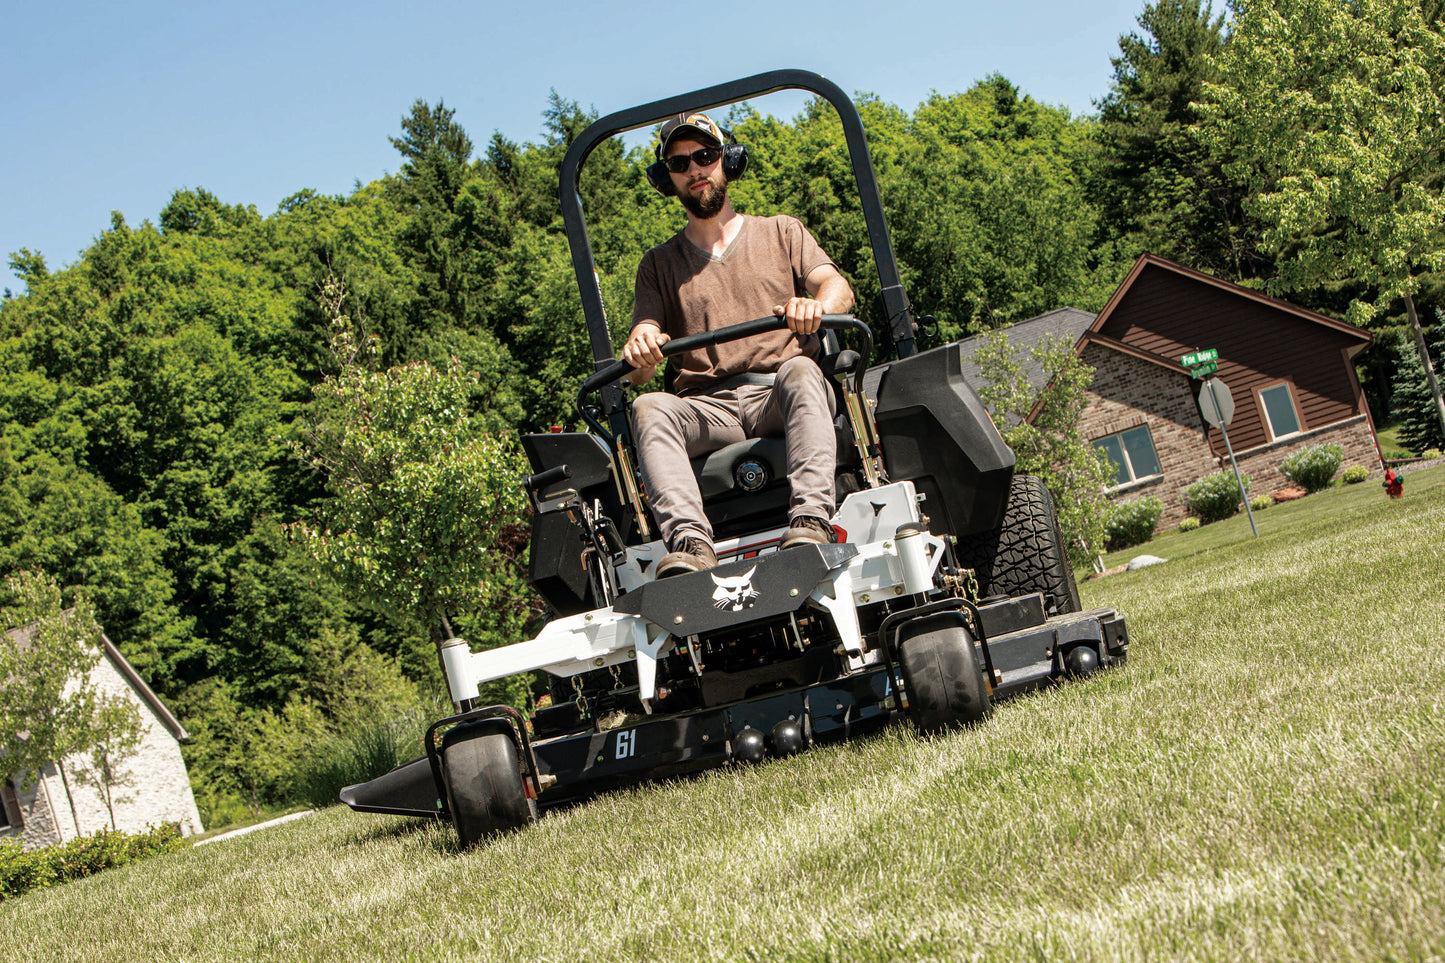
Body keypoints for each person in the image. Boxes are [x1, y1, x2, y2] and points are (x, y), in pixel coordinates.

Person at [622, 112, 856, 578]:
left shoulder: (781, 232)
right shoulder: (657, 266)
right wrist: (642, 347)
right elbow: (641, 357)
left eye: (705, 157)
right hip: (709, 410)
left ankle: (811, 519)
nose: (695, 169)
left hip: (778, 392)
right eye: (680, 163)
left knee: (804, 371)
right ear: (667, 178)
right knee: (648, 406)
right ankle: (691, 545)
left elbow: (836, 288)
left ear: (726, 161)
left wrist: (817, 306)